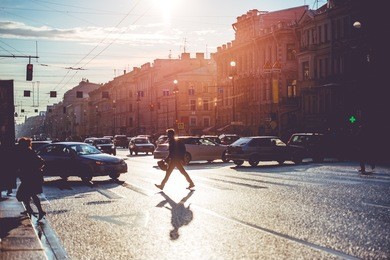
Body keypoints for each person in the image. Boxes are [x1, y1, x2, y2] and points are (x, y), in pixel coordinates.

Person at [15, 137, 47, 221]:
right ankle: (33, 210)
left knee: (23, 195)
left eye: (19, 144)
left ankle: (38, 210)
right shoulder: (26, 152)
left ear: (22, 145)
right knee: (29, 194)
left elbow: (40, 162)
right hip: (29, 177)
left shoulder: (27, 152)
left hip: (30, 177)